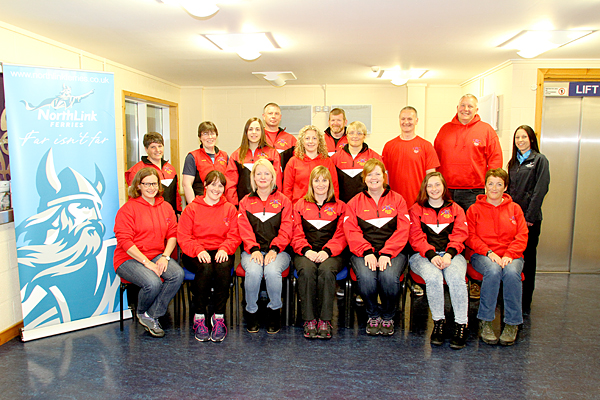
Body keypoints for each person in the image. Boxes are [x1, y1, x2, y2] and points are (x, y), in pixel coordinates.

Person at [114, 168, 184, 338]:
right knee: (153, 282)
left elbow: (172, 235)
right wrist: (148, 263)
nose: (152, 187)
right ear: (138, 185)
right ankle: (142, 311)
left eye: (155, 183)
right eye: (147, 184)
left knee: (177, 274)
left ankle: (151, 315)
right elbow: (125, 242)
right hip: (128, 258)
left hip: (157, 254)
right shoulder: (128, 209)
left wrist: (165, 257)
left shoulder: (166, 207)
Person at [344, 159, 410, 336]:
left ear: (384, 177)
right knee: (366, 277)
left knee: (389, 277)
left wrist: (387, 252)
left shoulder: (398, 200)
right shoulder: (354, 202)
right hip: (363, 252)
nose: (374, 178)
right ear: (364, 178)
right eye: (369, 174)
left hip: (393, 252)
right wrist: (366, 251)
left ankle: (388, 315)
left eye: (377, 174)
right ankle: (373, 314)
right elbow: (350, 230)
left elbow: (403, 229)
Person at [466, 168, 528, 346]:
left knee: (511, 272)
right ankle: (485, 321)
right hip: (482, 254)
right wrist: (489, 252)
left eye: (499, 184)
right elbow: (470, 236)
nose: (494, 188)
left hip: (511, 254)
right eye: (490, 183)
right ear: (485, 186)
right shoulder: (474, 210)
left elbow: (522, 235)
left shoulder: (515, 209)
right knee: (493, 270)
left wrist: (510, 254)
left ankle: (512, 323)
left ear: (505, 187)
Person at [177, 170, 241, 343]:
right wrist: (198, 250)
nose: (217, 189)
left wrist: (224, 248)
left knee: (222, 267)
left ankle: (218, 317)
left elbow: (234, 235)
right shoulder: (192, 209)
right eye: (213, 184)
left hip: (220, 250)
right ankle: (199, 317)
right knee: (205, 267)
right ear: (205, 186)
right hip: (195, 252)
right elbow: (183, 236)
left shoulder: (229, 209)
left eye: (220, 185)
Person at [408, 172, 469, 349]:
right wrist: (432, 255)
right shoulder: (416, 210)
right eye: (430, 186)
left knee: (456, 278)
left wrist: (449, 254)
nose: (434, 189)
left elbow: (460, 235)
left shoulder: (456, 209)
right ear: (424, 189)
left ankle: (460, 325)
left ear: (444, 187)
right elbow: (415, 237)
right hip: (422, 256)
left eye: (437, 185)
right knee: (433, 277)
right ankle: (438, 323)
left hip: (452, 255)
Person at [238, 159, 293, 334]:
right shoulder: (245, 202)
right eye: (258, 173)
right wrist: (254, 249)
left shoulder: (284, 201)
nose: (262, 177)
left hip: (279, 251)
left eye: (266, 173)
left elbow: (287, 229)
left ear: (273, 176)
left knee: (271, 270)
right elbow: (244, 230)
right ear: (253, 177)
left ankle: (274, 311)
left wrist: (274, 249)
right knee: (253, 271)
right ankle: (251, 312)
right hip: (251, 251)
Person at [291, 166, 347, 339]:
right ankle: (308, 320)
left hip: (332, 253)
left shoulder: (341, 206)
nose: (320, 184)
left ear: (330, 182)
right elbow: (295, 233)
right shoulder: (299, 205)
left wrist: (328, 251)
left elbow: (343, 234)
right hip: (305, 251)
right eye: (317, 180)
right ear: (311, 183)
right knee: (306, 271)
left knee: (326, 270)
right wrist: (306, 250)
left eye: (324, 180)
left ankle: (325, 320)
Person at [507, 125, 550, 314]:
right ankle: (509, 297)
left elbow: (540, 190)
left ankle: (525, 302)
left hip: (530, 221)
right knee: (512, 258)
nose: (520, 140)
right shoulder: (513, 163)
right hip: (512, 220)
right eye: (517, 138)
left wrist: (529, 217)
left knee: (528, 260)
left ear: (531, 139)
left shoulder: (539, 160)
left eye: (524, 137)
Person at [434, 94, 502, 212]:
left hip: (474, 191)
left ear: (476, 110)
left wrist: (491, 185)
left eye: (470, 106)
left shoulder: (486, 130)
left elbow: (495, 159)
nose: (466, 109)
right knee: (447, 227)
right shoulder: (445, 129)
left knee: (472, 228)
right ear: (457, 107)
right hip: (446, 190)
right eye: (463, 105)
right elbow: (435, 157)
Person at [382, 106, 439, 209]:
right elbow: (386, 177)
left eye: (409, 119)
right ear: (399, 120)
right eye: (403, 119)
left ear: (416, 121)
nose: (406, 122)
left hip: (420, 202)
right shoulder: (389, 146)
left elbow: (431, 177)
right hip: (395, 203)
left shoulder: (426, 146)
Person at [225, 118, 282, 206]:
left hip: (267, 205)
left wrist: (275, 203)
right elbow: (230, 184)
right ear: (246, 132)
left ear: (262, 132)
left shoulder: (273, 154)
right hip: (243, 206)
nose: (254, 132)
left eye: (257, 129)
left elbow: (277, 181)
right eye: (250, 129)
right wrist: (235, 206)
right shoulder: (236, 156)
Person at [125, 132, 182, 215]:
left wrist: (178, 212)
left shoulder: (170, 168)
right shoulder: (137, 170)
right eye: (153, 147)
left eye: (160, 146)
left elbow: (176, 194)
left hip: (170, 215)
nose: (157, 150)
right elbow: (133, 197)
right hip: (147, 216)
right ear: (146, 149)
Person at [283, 125, 339, 205]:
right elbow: (287, 189)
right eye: (307, 138)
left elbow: (334, 187)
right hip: (299, 209)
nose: (311, 141)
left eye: (314, 138)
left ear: (319, 141)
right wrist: (289, 209)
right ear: (302, 141)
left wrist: (333, 207)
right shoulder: (293, 162)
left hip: (323, 209)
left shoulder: (328, 162)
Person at [331, 121, 382, 203]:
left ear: (364, 136)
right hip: (342, 205)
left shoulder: (374, 158)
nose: (355, 136)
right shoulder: (335, 158)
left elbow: (381, 184)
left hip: (366, 205)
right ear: (346, 136)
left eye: (359, 133)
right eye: (351, 133)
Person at [181, 121, 229, 205]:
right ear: (200, 137)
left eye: (212, 133)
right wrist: (194, 207)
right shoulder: (192, 157)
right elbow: (186, 185)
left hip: (221, 204)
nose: (210, 137)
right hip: (201, 204)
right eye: (205, 134)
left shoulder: (224, 156)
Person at [262, 102, 297, 171]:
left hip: (284, 180)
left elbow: (298, 163)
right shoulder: (257, 137)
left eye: (276, 114)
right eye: (270, 113)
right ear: (264, 116)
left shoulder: (290, 139)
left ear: (280, 117)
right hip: (262, 179)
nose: (273, 116)